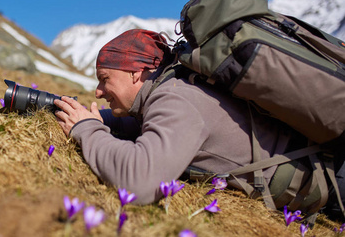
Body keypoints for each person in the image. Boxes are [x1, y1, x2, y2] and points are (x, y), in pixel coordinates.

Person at [53, 29, 344, 220]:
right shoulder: (172, 88)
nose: (98, 92)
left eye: (105, 79)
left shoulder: (176, 100)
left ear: (136, 73)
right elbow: (136, 126)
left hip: (336, 180)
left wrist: (86, 130)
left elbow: (139, 182)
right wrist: (79, 115)